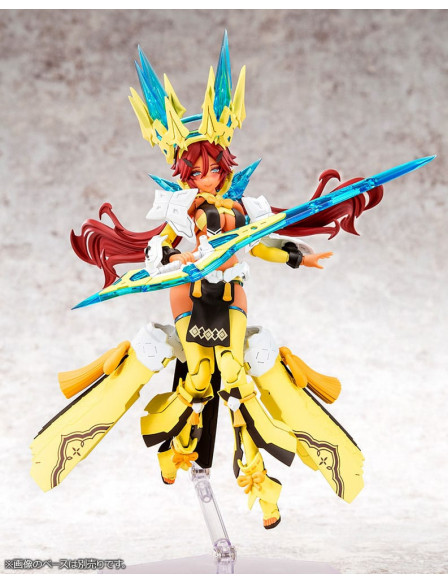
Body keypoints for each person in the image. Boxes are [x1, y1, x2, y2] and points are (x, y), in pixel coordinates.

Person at [31, 33, 383, 529]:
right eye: (196, 171)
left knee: (239, 374)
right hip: (191, 296)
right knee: (193, 374)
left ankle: (260, 483)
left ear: (223, 167)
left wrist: (295, 257)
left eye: (213, 168)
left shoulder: (242, 209)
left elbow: (255, 246)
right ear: (184, 173)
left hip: (230, 295)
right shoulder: (180, 209)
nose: (206, 176)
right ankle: (174, 448)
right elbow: (158, 253)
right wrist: (179, 254)